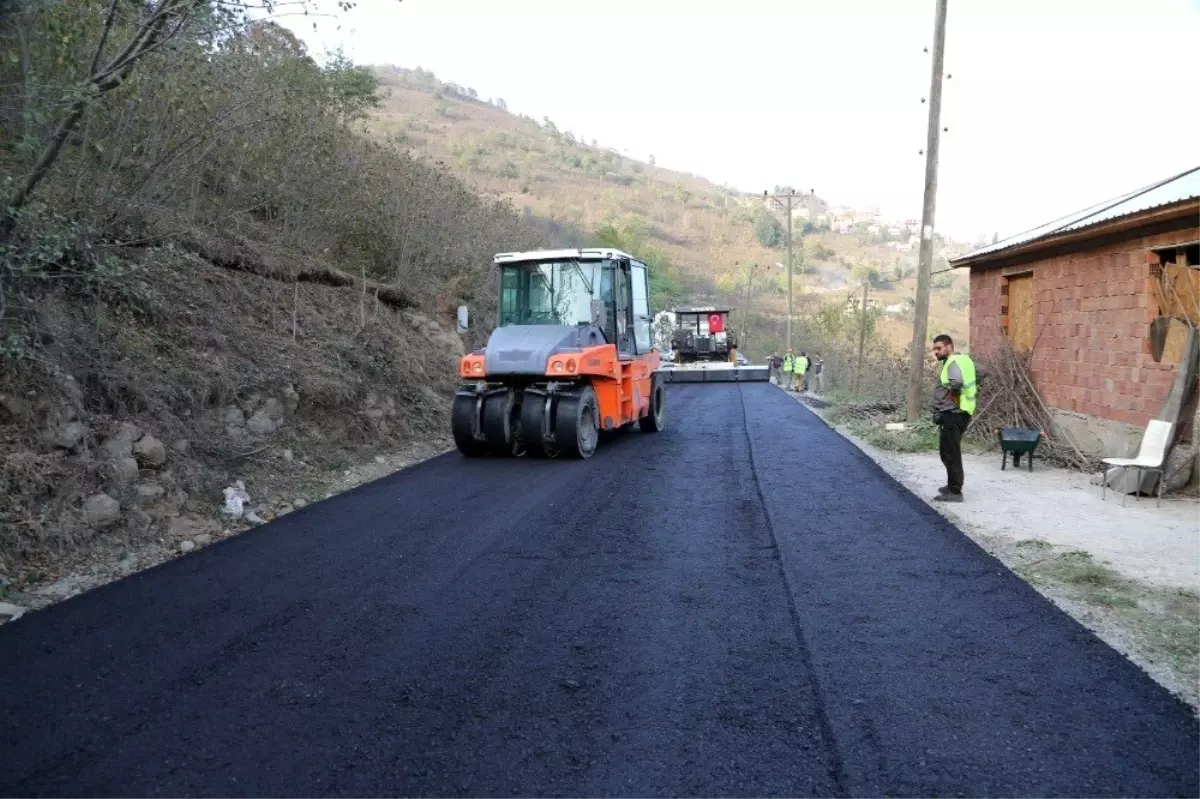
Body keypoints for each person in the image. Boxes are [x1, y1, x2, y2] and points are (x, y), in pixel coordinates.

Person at [931, 333, 978, 503]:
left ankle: (955, 492)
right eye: (934, 349)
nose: (936, 352)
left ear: (949, 347)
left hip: (953, 413)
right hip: (962, 412)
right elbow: (983, 372)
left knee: (951, 453)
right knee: (947, 451)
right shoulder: (966, 360)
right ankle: (951, 485)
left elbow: (956, 382)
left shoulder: (952, 363)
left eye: (939, 348)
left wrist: (954, 397)